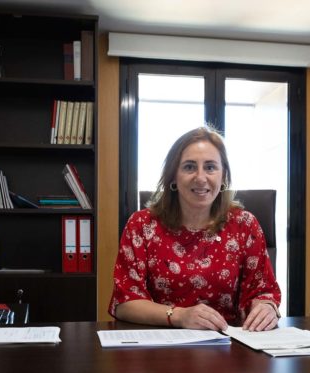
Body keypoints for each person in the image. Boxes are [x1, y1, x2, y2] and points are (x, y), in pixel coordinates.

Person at [109, 126, 281, 332]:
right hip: (160, 347)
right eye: (189, 167)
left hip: (230, 346)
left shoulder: (245, 225)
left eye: (210, 167)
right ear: (173, 175)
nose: (201, 178)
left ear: (223, 175)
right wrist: (180, 315)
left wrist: (266, 307)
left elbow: (262, 291)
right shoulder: (142, 225)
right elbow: (125, 303)